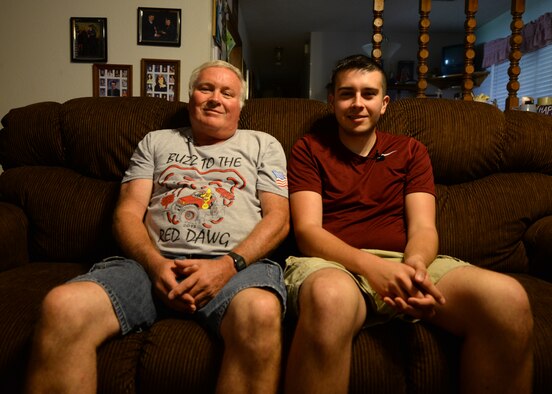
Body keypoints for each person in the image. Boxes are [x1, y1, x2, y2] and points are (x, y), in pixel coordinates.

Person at [25, 60, 290, 394]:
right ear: (190, 96)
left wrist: (227, 265)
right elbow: (126, 213)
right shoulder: (157, 141)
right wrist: (154, 264)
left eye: (227, 93)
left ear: (240, 106)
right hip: (148, 265)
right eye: (205, 88)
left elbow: (279, 219)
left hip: (234, 267)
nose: (215, 98)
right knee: (63, 307)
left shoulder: (263, 144)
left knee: (261, 312)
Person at [283, 54, 533, 394]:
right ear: (332, 100)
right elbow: (308, 232)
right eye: (347, 93)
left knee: (508, 298)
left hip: (405, 262)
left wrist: (414, 268)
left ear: (384, 103)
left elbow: (424, 229)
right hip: (334, 265)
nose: (358, 103)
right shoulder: (309, 149)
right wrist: (373, 269)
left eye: (368, 94)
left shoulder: (411, 151)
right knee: (329, 299)